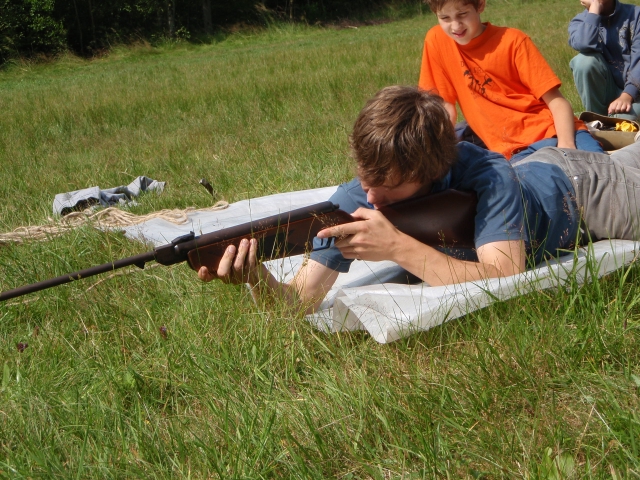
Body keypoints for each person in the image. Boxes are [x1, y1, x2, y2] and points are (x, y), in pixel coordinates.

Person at [197, 86, 640, 313]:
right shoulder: (358, 195)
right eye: (365, 180)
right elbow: (301, 301)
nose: (371, 197)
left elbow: (505, 275)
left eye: (388, 188)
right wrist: (255, 278)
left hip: (582, 190)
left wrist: (397, 248)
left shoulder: (487, 173)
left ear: (430, 173)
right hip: (542, 168)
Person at [418, 0, 604, 162]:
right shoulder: (437, 41)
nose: (455, 26)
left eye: (462, 14)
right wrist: (435, 152)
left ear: (480, 5)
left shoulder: (513, 41)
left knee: (602, 171)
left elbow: (557, 102)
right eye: (445, 18)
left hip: (558, 131)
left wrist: (566, 146)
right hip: (516, 151)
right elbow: (443, 107)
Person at [568, 0, 640, 121]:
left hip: (636, 93)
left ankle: (612, 120)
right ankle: (597, 120)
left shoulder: (636, 15)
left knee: (622, 121)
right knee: (583, 62)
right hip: (607, 90)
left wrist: (627, 96)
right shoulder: (579, 22)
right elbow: (584, 44)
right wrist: (594, 10)